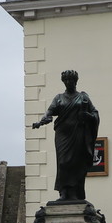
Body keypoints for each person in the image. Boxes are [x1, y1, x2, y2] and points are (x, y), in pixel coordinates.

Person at [31, 70, 100, 202]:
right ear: (63, 82)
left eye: (71, 80)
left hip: (78, 133)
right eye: (66, 80)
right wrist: (41, 121)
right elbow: (50, 112)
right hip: (63, 134)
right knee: (62, 162)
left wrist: (88, 116)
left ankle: (73, 193)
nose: (69, 82)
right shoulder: (59, 98)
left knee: (76, 163)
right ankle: (63, 192)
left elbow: (94, 113)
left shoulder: (83, 97)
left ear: (76, 81)